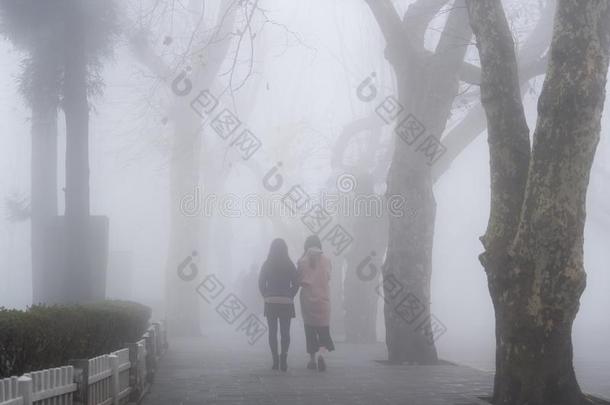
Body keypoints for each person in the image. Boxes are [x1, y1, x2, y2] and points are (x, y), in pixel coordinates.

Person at [258, 238, 299, 371]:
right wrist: (290, 294)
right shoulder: (289, 264)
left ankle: (275, 360)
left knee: (272, 332)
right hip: (286, 302)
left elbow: (261, 282)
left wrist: (266, 295)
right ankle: (284, 358)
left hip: (271, 301)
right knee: (285, 332)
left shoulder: (267, 263)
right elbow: (296, 282)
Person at [297, 235, 335, 371]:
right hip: (323, 300)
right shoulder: (327, 260)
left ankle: (312, 360)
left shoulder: (302, 261)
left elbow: (300, 280)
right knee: (323, 330)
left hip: (308, 301)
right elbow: (328, 277)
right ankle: (322, 355)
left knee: (310, 330)